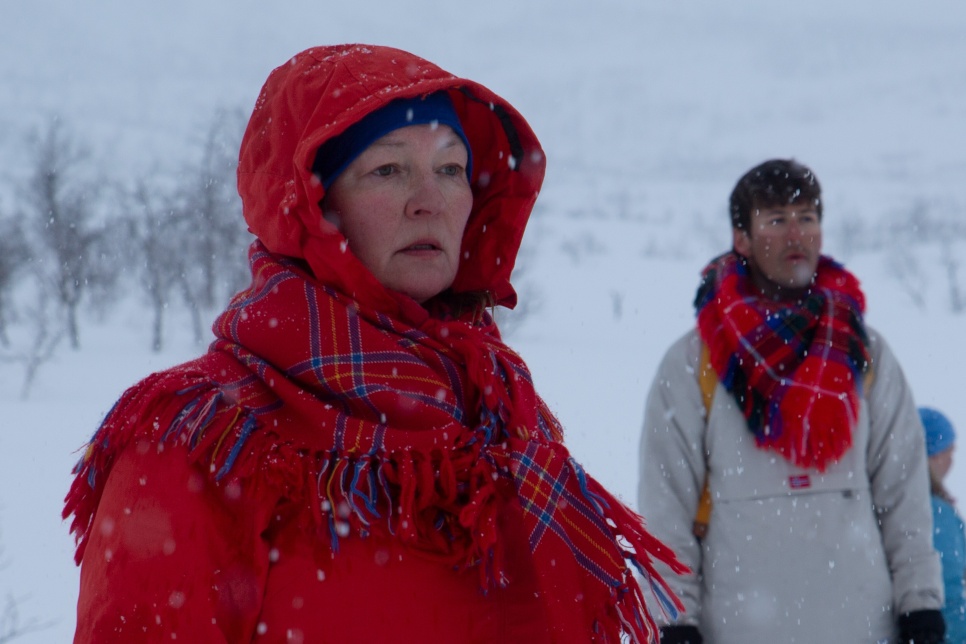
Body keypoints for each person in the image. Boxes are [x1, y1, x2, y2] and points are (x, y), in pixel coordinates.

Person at [63, 44, 686, 643]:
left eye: (450, 169)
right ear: (312, 205)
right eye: (387, 170)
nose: (430, 202)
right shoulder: (203, 443)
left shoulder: (498, 414)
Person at [637, 158, 945, 643]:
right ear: (742, 238)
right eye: (776, 219)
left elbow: (903, 492)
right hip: (739, 628)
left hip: (862, 627)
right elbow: (665, 506)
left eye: (807, 217)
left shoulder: (863, 352)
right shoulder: (694, 362)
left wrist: (920, 605)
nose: (796, 233)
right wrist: (674, 619)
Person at [921, 406, 966, 642]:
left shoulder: (892, 505)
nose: (952, 459)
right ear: (933, 455)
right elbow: (946, 591)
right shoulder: (935, 512)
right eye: (950, 450)